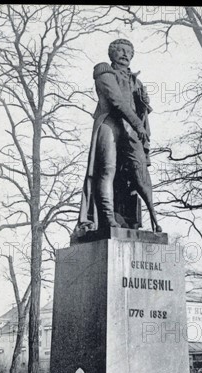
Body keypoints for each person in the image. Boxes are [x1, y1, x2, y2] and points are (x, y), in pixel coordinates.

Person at [75, 38, 162, 233]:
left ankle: (142, 219)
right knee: (108, 170)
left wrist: (143, 106)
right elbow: (117, 101)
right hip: (110, 124)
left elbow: (137, 108)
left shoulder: (136, 81)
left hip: (130, 129)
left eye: (129, 52)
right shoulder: (105, 73)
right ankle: (107, 220)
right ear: (111, 53)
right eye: (120, 50)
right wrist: (137, 123)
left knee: (136, 175)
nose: (125, 54)